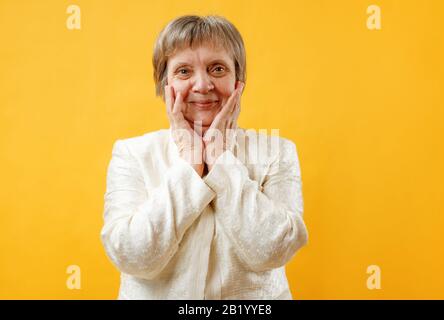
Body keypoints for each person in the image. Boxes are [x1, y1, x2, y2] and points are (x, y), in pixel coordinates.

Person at [101, 14, 308, 299]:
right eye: (184, 71)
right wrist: (189, 165)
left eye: (217, 69)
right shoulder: (132, 154)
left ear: (239, 82)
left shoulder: (278, 152)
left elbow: (272, 250)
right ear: (165, 85)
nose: (202, 85)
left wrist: (221, 161)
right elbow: (132, 255)